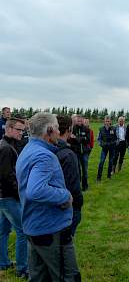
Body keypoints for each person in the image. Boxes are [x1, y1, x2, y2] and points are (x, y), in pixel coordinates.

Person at [16, 112, 81, 282]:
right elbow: (35, 190)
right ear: (50, 130)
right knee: (67, 277)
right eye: (58, 129)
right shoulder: (45, 156)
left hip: (34, 226)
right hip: (51, 229)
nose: (60, 132)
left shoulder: (27, 150)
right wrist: (65, 195)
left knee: (39, 277)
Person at [0, 118, 28, 279]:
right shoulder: (6, 149)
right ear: (9, 129)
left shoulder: (5, 145)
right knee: (22, 231)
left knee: (3, 231)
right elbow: (7, 176)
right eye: (18, 129)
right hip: (8, 197)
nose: (21, 133)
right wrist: (19, 195)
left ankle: (3, 262)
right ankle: (22, 268)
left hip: (3, 196)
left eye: (22, 130)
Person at [56, 116, 83, 236]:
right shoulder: (68, 154)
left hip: (51, 204)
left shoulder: (47, 148)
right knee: (65, 244)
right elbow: (72, 185)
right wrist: (78, 202)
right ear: (69, 130)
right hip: (67, 205)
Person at [71, 116, 91, 191]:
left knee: (85, 170)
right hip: (76, 152)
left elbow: (88, 140)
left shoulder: (86, 129)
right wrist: (82, 138)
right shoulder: (73, 129)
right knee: (77, 170)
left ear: (82, 121)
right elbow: (71, 140)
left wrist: (76, 138)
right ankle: (77, 186)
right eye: (78, 121)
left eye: (80, 121)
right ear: (76, 121)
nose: (79, 122)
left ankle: (85, 186)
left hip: (85, 153)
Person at [97, 116, 117, 181]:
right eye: (106, 121)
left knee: (111, 162)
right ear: (104, 121)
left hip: (112, 148)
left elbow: (116, 139)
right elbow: (99, 139)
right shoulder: (101, 129)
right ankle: (98, 177)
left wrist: (112, 143)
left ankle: (109, 176)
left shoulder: (114, 129)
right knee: (101, 162)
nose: (107, 122)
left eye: (108, 121)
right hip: (104, 148)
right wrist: (102, 144)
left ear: (110, 121)